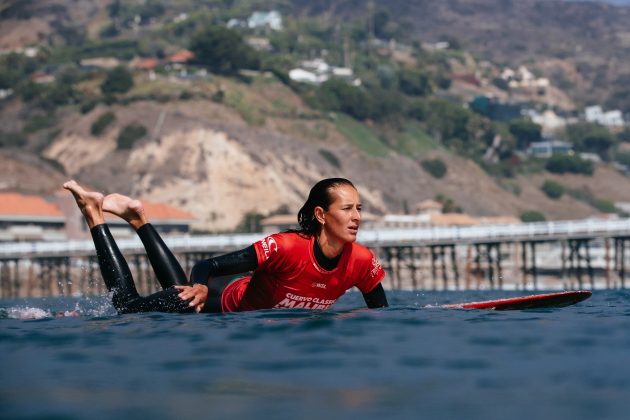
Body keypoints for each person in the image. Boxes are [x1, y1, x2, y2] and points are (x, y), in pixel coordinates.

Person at [63, 177, 388, 314]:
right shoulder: (286, 247)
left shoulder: (360, 260)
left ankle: (138, 219)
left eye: (359, 208)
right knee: (128, 308)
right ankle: (93, 213)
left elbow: (382, 314)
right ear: (320, 214)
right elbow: (209, 266)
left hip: (225, 310)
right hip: (220, 304)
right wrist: (202, 288)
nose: (356, 216)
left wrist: (435, 311)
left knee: (180, 295)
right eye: (347, 209)